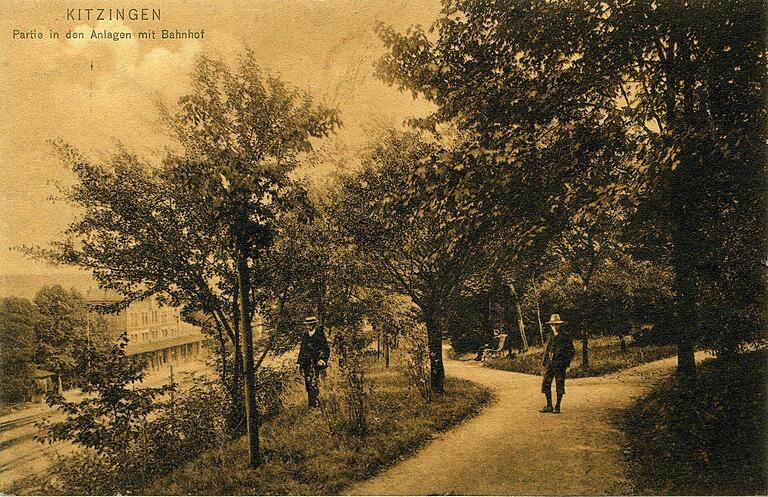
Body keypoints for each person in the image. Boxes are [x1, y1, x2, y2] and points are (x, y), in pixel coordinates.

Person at [539, 313, 575, 414]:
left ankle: (557, 406)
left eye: (556, 324)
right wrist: (544, 364)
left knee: (560, 385)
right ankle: (549, 406)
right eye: (552, 324)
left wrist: (566, 364)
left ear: (560, 325)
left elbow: (571, 351)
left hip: (560, 365)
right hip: (550, 364)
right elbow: (547, 350)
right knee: (546, 384)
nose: (554, 326)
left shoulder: (565, 336)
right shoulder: (549, 335)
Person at [297, 315, 330, 408]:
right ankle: (311, 405)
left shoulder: (319, 334)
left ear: (314, 324)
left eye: (310, 324)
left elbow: (326, 349)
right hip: (306, 363)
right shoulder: (305, 335)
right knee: (308, 383)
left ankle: (316, 404)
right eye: (307, 325)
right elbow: (302, 350)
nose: (308, 326)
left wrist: (323, 359)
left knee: (315, 382)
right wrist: (298, 362)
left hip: (316, 363)